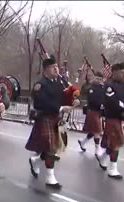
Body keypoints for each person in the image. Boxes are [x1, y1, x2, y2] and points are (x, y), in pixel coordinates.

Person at [25, 55, 73, 189]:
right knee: (51, 148)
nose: (57, 69)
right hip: (45, 117)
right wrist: (61, 107)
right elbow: (41, 102)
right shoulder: (40, 85)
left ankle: (35, 160)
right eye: (54, 67)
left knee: (53, 147)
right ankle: (50, 177)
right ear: (46, 69)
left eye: (57, 67)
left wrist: (72, 100)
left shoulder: (60, 82)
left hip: (56, 119)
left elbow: (64, 96)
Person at [97, 63, 124, 179]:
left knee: (120, 141)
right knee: (116, 142)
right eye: (122, 72)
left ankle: (103, 156)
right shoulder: (109, 86)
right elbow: (113, 102)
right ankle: (112, 169)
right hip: (112, 117)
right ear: (115, 74)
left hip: (121, 118)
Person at [78, 71, 105, 156]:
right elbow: (92, 100)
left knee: (94, 131)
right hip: (92, 111)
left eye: (100, 79)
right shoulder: (91, 88)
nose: (98, 80)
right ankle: (97, 149)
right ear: (94, 78)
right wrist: (100, 104)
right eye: (97, 78)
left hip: (99, 112)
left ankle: (83, 142)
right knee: (97, 130)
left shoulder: (102, 88)